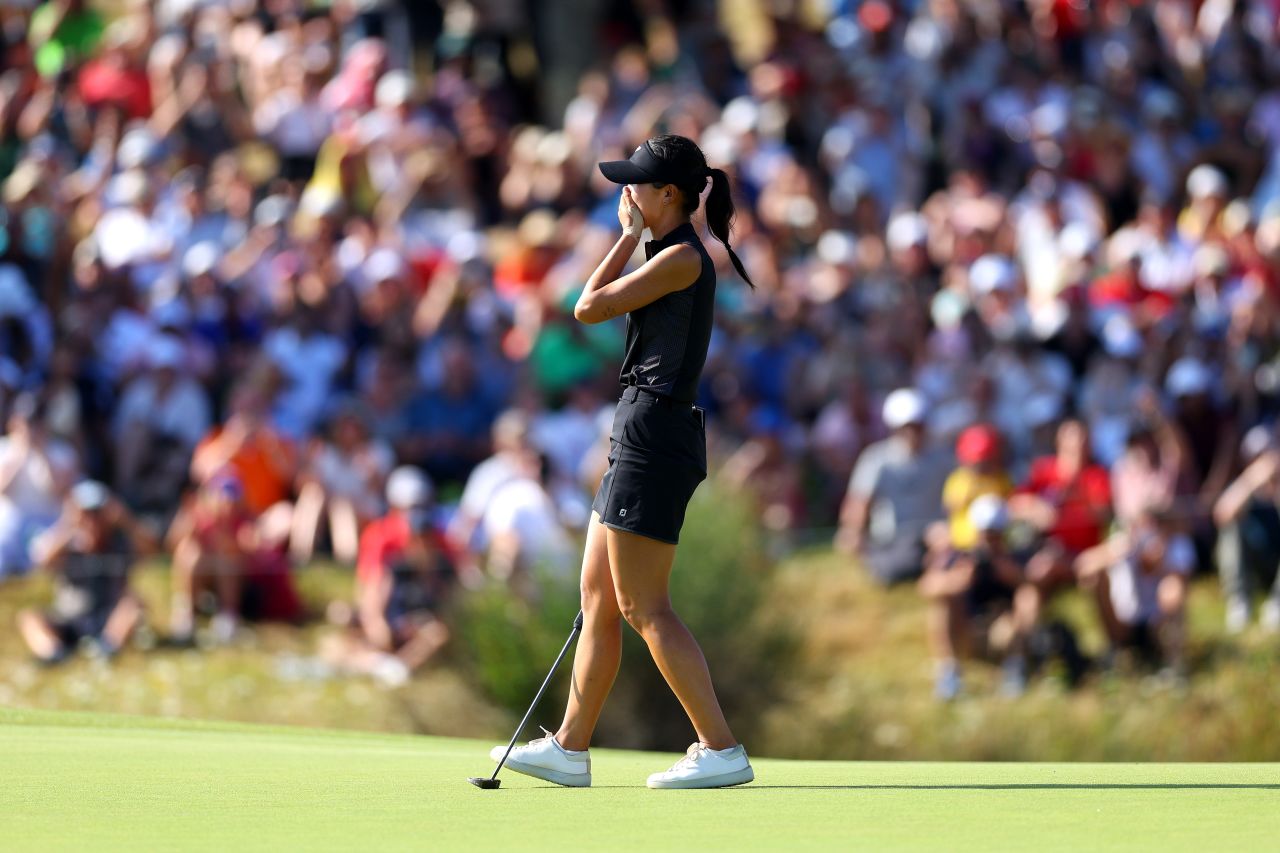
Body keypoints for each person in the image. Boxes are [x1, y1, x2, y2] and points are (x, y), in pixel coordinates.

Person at [493, 135, 755, 789]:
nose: (625, 192)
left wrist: (621, 239)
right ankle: (570, 746)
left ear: (670, 194)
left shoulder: (683, 260)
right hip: (637, 427)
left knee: (645, 606)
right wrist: (633, 235)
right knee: (598, 601)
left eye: (636, 183)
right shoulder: (665, 251)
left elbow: (586, 307)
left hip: (655, 433)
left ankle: (721, 748)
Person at [17, 481, 156, 663]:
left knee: (133, 604)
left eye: (97, 513)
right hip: (70, 619)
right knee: (30, 617)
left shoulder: (120, 543)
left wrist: (126, 520)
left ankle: (108, 648)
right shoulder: (66, 546)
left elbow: (152, 552)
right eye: (86, 513)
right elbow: (41, 561)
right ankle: (52, 653)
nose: (92, 519)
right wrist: (69, 524)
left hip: (109, 618)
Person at [918, 495, 1033, 700]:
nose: (990, 540)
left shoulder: (1015, 557)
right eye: (986, 533)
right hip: (968, 631)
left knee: (1028, 597)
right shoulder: (960, 557)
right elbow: (926, 586)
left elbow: (1032, 589)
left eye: (995, 534)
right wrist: (957, 581)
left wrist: (1013, 575)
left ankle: (1015, 669)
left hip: (1003, 633)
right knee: (943, 602)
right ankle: (949, 673)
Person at [835, 388, 951, 584]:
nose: (912, 432)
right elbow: (858, 502)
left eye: (917, 425)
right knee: (895, 568)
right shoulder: (877, 459)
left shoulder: (943, 457)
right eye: (906, 426)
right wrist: (853, 532)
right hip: (893, 539)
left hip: (935, 535)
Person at [1076, 506, 1191, 677]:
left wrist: (1157, 564)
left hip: (1156, 626)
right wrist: (1114, 553)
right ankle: (1114, 652)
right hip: (1123, 626)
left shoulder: (1176, 545)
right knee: (1098, 578)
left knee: (1173, 587)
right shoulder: (1125, 544)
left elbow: (1180, 582)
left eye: (1155, 526)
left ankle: (1173, 664)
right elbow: (1082, 567)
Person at [1213, 426, 1280, 633]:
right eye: (1256, 457)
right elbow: (1222, 513)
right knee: (1231, 528)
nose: (1263, 463)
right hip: (1257, 565)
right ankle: (1239, 602)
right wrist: (1251, 481)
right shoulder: (1242, 487)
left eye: (1267, 456)